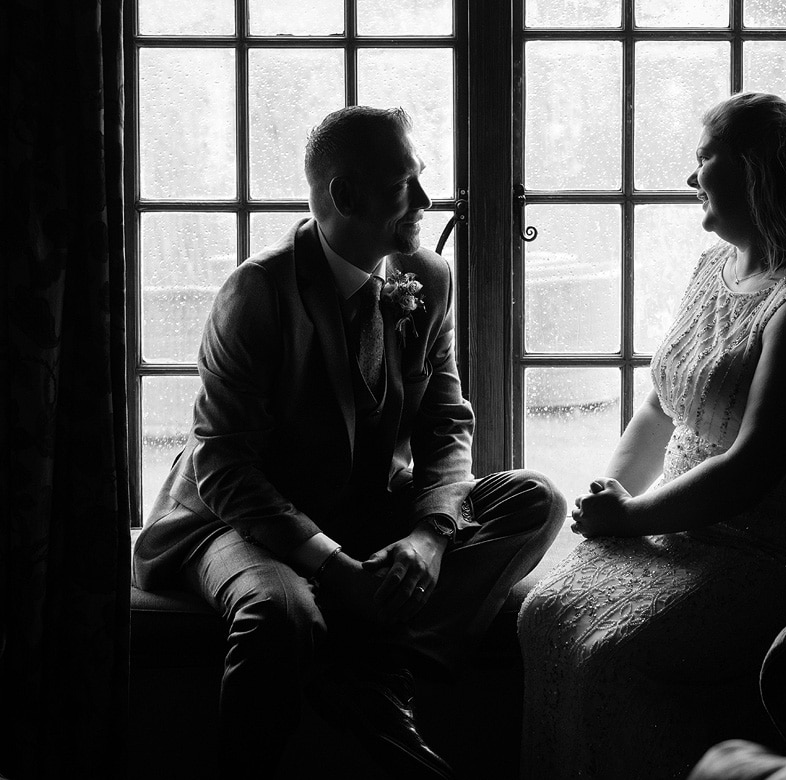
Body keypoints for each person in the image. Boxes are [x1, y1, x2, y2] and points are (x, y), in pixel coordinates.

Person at [132, 105, 565, 780]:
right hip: (236, 520)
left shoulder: (426, 277)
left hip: (367, 508)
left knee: (534, 500)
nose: (426, 199)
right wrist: (335, 568)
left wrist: (428, 535)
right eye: (404, 185)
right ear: (345, 196)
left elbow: (446, 424)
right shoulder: (257, 292)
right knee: (280, 616)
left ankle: (368, 674)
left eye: (422, 178)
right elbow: (224, 466)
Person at [517, 92, 786, 779]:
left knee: (615, 653)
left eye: (706, 160)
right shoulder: (713, 269)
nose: (692, 178)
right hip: (684, 523)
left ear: (754, 172)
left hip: (772, 545)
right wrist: (611, 496)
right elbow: (659, 405)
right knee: (543, 611)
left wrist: (635, 516)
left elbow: (752, 467)